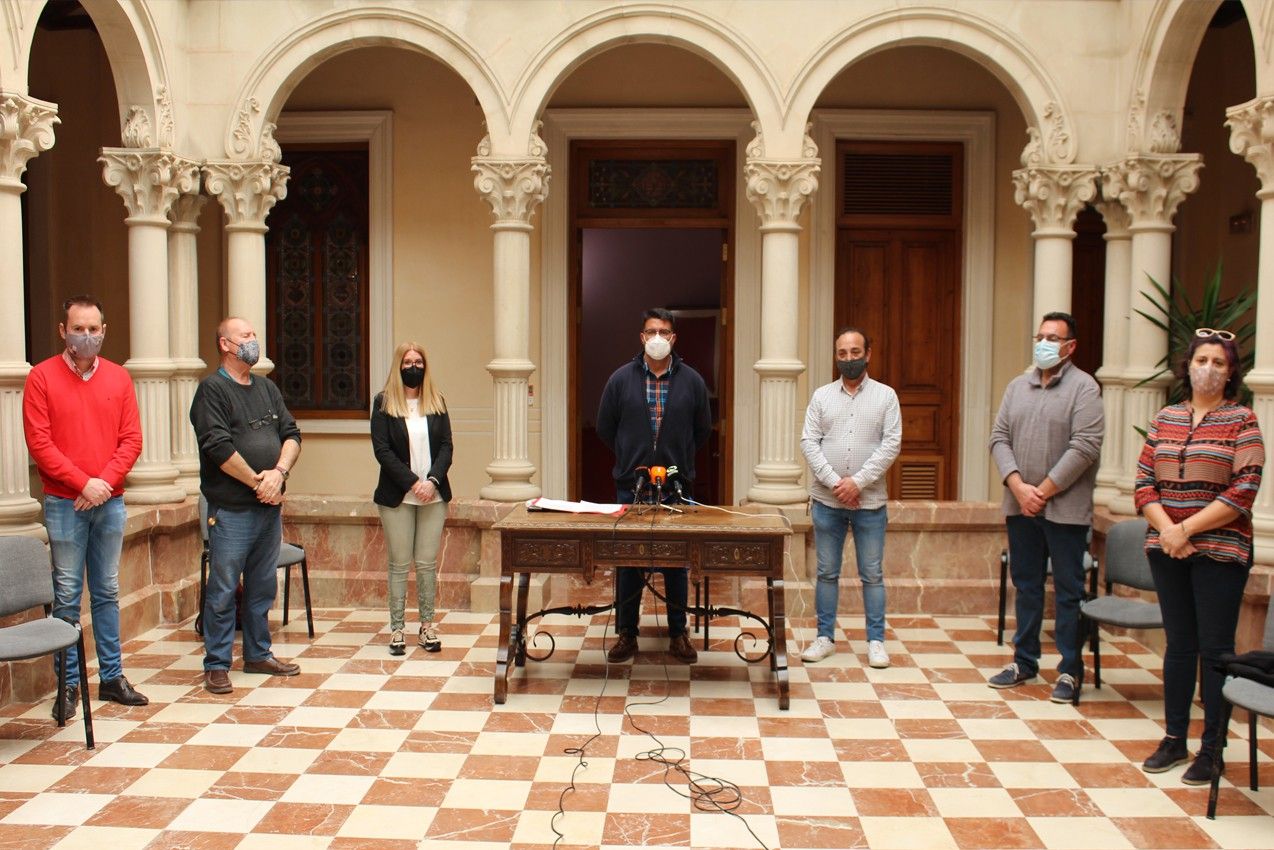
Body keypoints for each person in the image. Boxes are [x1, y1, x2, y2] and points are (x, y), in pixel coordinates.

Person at [1135, 328, 1263, 784]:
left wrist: (1186, 529)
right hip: (1166, 548)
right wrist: (1169, 531)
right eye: (1201, 360)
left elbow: (1244, 488)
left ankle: (1212, 749)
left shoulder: (1243, 420)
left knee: (1214, 650)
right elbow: (1144, 483)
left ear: (1231, 373)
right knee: (1179, 646)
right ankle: (1173, 739)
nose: (1208, 369)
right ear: (1187, 367)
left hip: (1220, 552)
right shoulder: (1165, 417)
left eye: (1218, 363)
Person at [23, 295, 149, 719]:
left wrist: (103, 484)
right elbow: (40, 443)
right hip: (64, 503)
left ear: (104, 331)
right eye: (78, 329)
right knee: (66, 595)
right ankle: (69, 684)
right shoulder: (41, 378)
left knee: (108, 590)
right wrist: (83, 483)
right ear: (63, 331)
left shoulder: (119, 378)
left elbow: (132, 439)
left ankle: (112, 677)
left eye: (94, 329)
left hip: (109, 501)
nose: (87, 336)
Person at [988, 311, 1103, 703]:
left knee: (1069, 591)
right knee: (1027, 586)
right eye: (1040, 337)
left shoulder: (1085, 389)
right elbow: (999, 438)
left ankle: (1070, 670)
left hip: (1065, 511)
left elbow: (1085, 447)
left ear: (1070, 346)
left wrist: (1043, 491)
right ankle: (1024, 661)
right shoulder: (1017, 386)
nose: (1044, 344)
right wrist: (1019, 487)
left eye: (1053, 338)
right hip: (1021, 506)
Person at [190, 317, 302, 694]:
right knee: (223, 589)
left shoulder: (267, 388)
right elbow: (218, 447)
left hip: (268, 509)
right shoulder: (212, 391)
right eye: (245, 336)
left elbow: (291, 434)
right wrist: (259, 482)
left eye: (254, 334)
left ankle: (257, 654)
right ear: (225, 344)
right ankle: (217, 664)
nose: (253, 340)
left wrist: (279, 473)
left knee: (262, 586)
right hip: (231, 511)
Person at [597, 307, 712, 664]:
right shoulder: (620, 379)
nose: (657, 337)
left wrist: (677, 458)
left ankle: (678, 633)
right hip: (631, 485)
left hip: (677, 485)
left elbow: (701, 431)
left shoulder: (692, 381)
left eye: (664, 331)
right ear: (642, 337)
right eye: (651, 331)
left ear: (673, 338)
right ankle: (626, 634)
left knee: (676, 562)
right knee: (628, 562)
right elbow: (605, 427)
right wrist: (631, 456)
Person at [799, 327, 902, 668]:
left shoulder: (886, 396)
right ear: (836, 356)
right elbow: (809, 442)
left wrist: (857, 483)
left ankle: (876, 642)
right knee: (826, 572)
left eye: (855, 352)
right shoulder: (821, 396)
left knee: (871, 574)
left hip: (870, 503)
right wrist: (836, 483)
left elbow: (891, 445)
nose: (849, 359)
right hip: (827, 502)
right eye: (842, 353)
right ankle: (824, 638)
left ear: (867, 354)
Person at [371, 342, 453, 655]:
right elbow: (382, 451)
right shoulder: (383, 403)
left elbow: (446, 446)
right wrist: (412, 483)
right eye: (407, 362)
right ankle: (397, 629)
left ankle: (427, 626)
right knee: (399, 563)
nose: (413, 367)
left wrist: (431, 481)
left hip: (434, 495)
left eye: (418, 361)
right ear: (398, 366)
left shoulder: (437, 400)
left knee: (427, 563)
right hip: (398, 496)